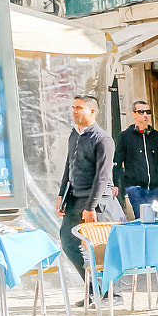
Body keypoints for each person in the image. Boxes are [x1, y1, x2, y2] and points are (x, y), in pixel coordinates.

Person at [56, 95, 122, 305]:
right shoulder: (74, 135)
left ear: (92, 111)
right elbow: (69, 166)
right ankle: (93, 289)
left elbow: (102, 176)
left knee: (103, 248)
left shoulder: (102, 139)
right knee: (68, 242)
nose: (74, 111)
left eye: (79, 108)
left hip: (97, 202)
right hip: (75, 198)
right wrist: (61, 195)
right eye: (73, 107)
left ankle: (114, 294)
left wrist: (91, 206)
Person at [113, 100, 158, 219]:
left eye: (148, 112)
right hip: (134, 187)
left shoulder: (156, 136)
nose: (145, 115)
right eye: (141, 112)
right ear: (134, 114)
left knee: (152, 218)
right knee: (141, 217)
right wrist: (116, 184)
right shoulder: (125, 136)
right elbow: (118, 161)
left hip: (153, 187)